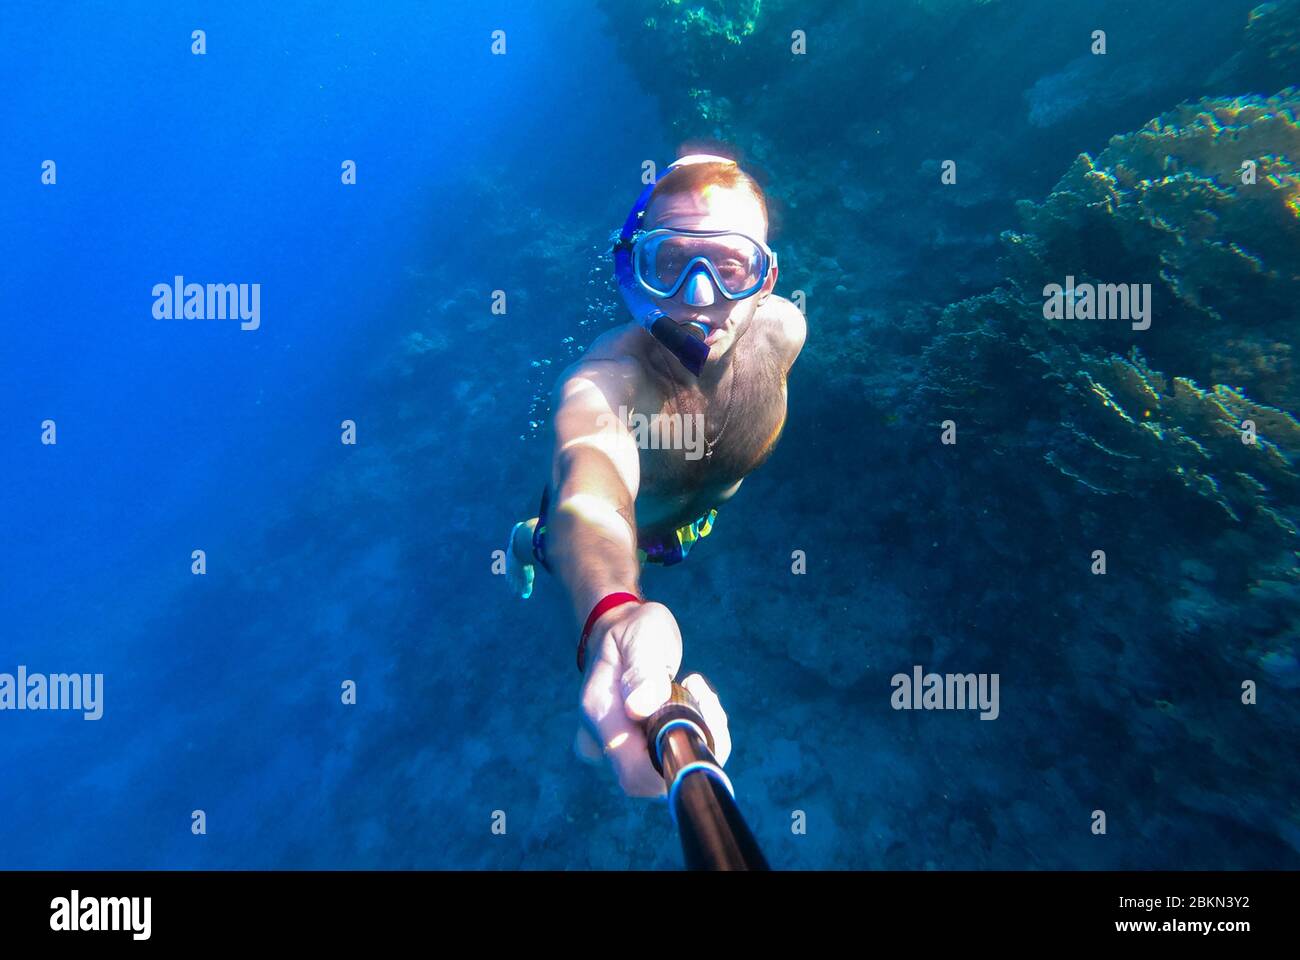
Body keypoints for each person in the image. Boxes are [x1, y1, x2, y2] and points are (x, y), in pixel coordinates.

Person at [506, 154, 805, 797]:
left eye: (730, 266)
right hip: (629, 535)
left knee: (677, 535)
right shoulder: (607, 380)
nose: (699, 297)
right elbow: (589, 488)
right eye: (669, 264)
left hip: (691, 523)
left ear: (767, 277)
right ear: (632, 273)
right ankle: (525, 539)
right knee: (553, 536)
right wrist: (612, 614)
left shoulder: (786, 331)